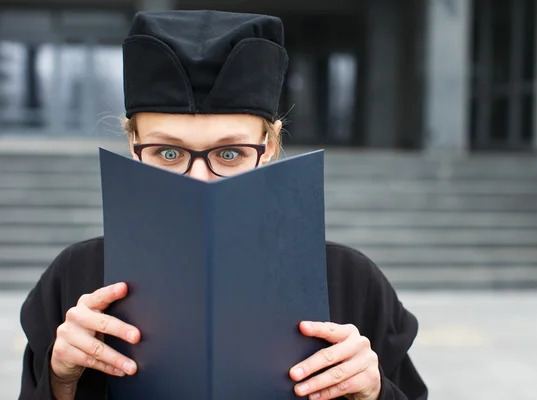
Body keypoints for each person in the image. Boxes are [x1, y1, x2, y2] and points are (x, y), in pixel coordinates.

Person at [18, 10, 428, 400]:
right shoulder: (76, 277)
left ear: (267, 148)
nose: (199, 179)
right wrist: (60, 379)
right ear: (133, 145)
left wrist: (373, 392)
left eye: (229, 154)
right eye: (167, 153)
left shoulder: (351, 280)